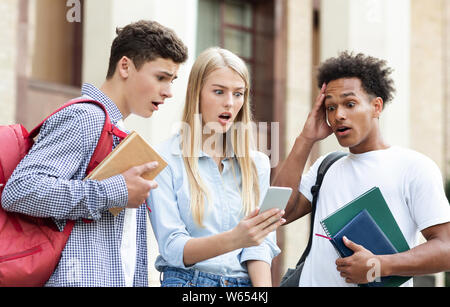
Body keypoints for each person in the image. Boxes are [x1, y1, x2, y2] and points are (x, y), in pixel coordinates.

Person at [2, 20, 188, 286]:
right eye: (161, 77)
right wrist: (117, 191)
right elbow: (21, 190)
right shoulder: (85, 117)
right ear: (125, 66)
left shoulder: (117, 131)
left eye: (172, 80)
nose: (169, 92)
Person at [273, 51, 450, 287]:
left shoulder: (415, 167)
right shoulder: (326, 167)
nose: (339, 115)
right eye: (331, 107)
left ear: (376, 106)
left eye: (350, 103)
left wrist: (379, 265)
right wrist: (305, 139)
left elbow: (445, 247)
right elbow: (271, 214)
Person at [149, 47, 285, 287]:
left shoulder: (257, 164)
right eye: (219, 92)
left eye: (238, 93)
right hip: (187, 283)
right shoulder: (164, 158)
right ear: (196, 93)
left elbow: (260, 246)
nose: (230, 103)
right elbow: (172, 248)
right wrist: (235, 239)